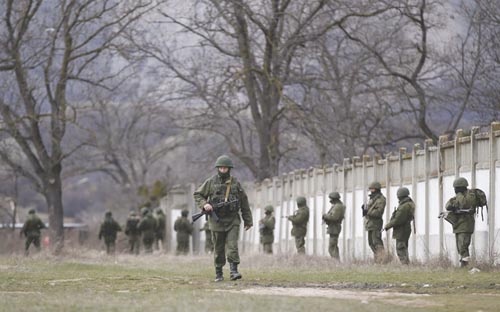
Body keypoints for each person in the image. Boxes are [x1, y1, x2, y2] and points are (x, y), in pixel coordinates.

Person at [193, 155, 253, 282]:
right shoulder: (210, 182)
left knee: (232, 246)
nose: (223, 169)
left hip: (232, 220)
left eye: (225, 168)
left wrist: (248, 220)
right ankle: (219, 272)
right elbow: (198, 194)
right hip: (216, 221)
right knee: (219, 248)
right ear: (218, 168)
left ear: (229, 169)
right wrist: (205, 204)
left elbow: (244, 202)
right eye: (221, 167)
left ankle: (234, 271)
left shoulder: (235, 183)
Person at [444, 177, 478, 267]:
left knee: (463, 244)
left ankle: (465, 263)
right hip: (458, 224)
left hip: (466, 223)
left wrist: (459, 195)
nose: (455, 190)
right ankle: (464, 262)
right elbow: (448, 205)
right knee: (459, 245)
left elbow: (464, 204)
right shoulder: (459, 196)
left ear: (461, 187)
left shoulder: (470, 195)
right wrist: (453, 206)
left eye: (457, 188)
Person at [384, 187, 415, 265]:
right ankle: (406, 264)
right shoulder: (409, 203)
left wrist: (387, 226)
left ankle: (405, 264)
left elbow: (398, 220)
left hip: (402, 229)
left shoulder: (404, 206)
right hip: (406, 228)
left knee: (400, 247)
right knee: (404, 247)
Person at [362, 181, 386, 262]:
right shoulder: (372, 199)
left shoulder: (381, 199)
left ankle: (382, 259)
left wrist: (367, 211)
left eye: (372, 189)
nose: (371, 191)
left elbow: (378, 212)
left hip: (376, 224)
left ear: (376, 189)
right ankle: (378, 259)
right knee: (371, 243)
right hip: (370, 224)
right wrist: (365, 209)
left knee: (377, 242)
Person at [322, 192, 345, 260]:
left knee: (332, 247)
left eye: (331, 199)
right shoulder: (337, 206)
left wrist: (325, 216)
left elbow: (334, 217)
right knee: (333, 247)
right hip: (333, 227)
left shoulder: (338, 206)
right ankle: (335, 262)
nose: (330, 200)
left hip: (335, 228)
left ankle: (336, 262)